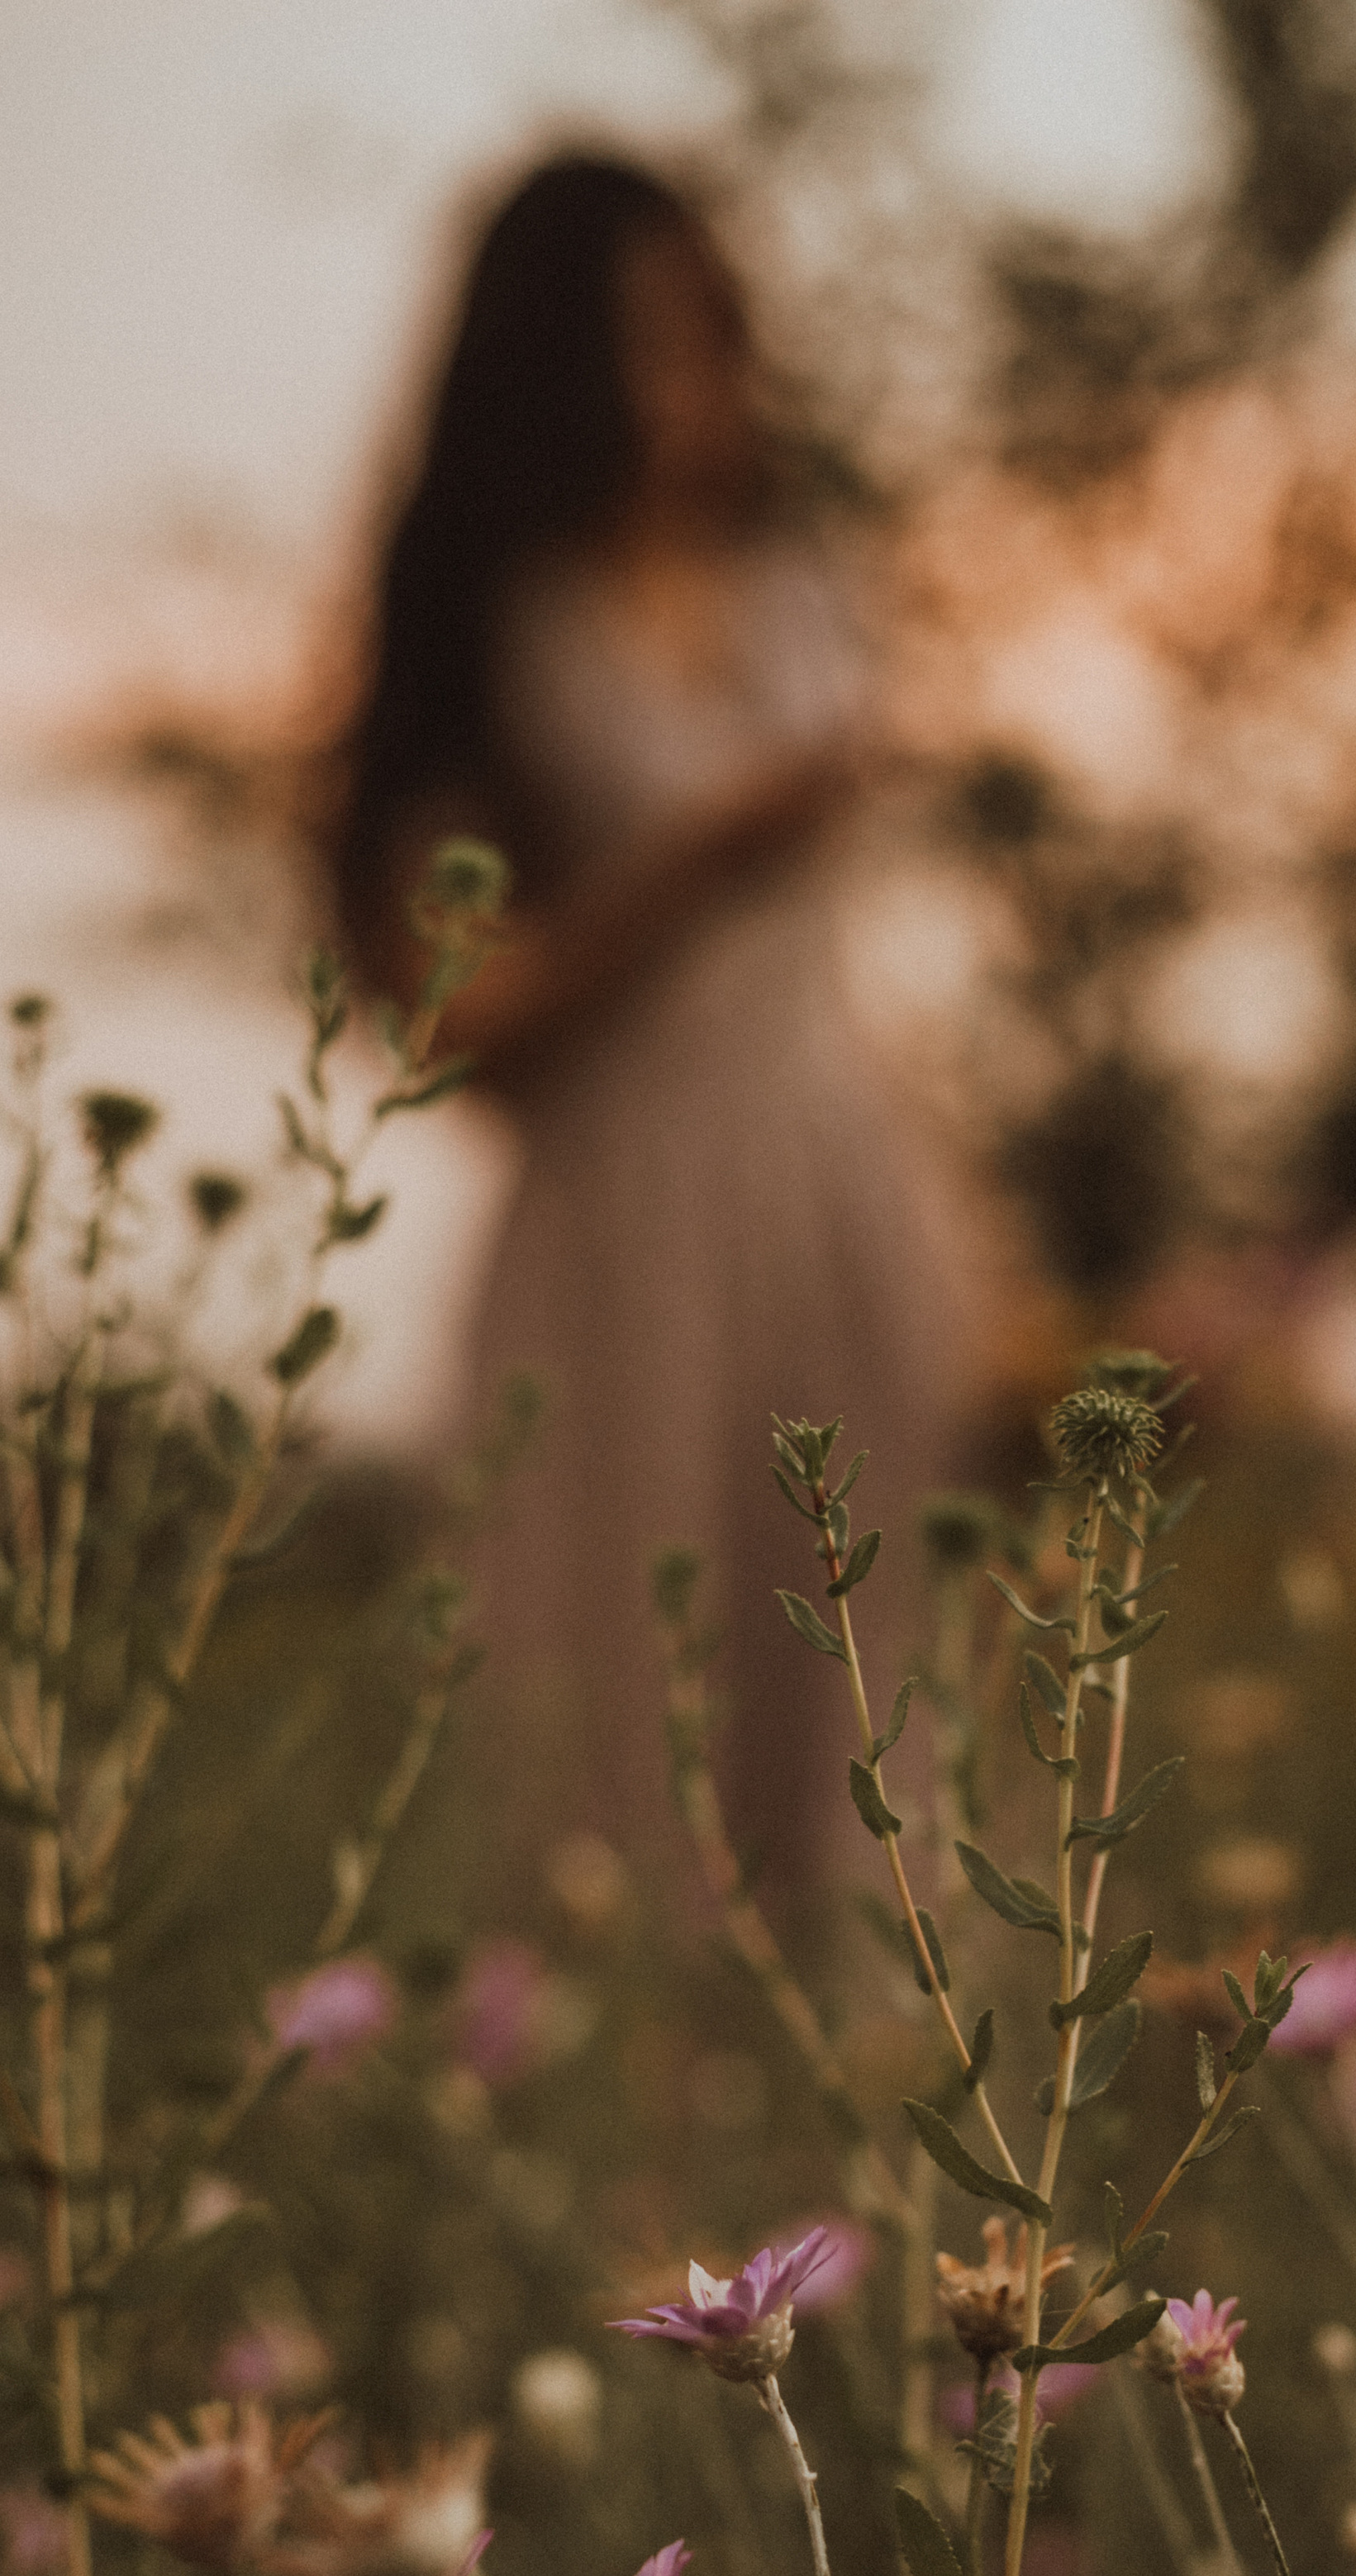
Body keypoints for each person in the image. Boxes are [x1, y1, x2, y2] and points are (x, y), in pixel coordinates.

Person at [331, 154, 968, 1906]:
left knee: (874, 1741)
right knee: (626, 1744)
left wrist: (974, 1262)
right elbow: (442, 1006)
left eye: (713, 331)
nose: (696, 381)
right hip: (620, 1236)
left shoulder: (804, 590)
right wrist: (686, 863)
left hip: (839, 1203)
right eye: (647, 339)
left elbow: (851, 988)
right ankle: (639, 2166)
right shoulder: (493, 628)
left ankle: (880, 2167)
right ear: (554, 365)